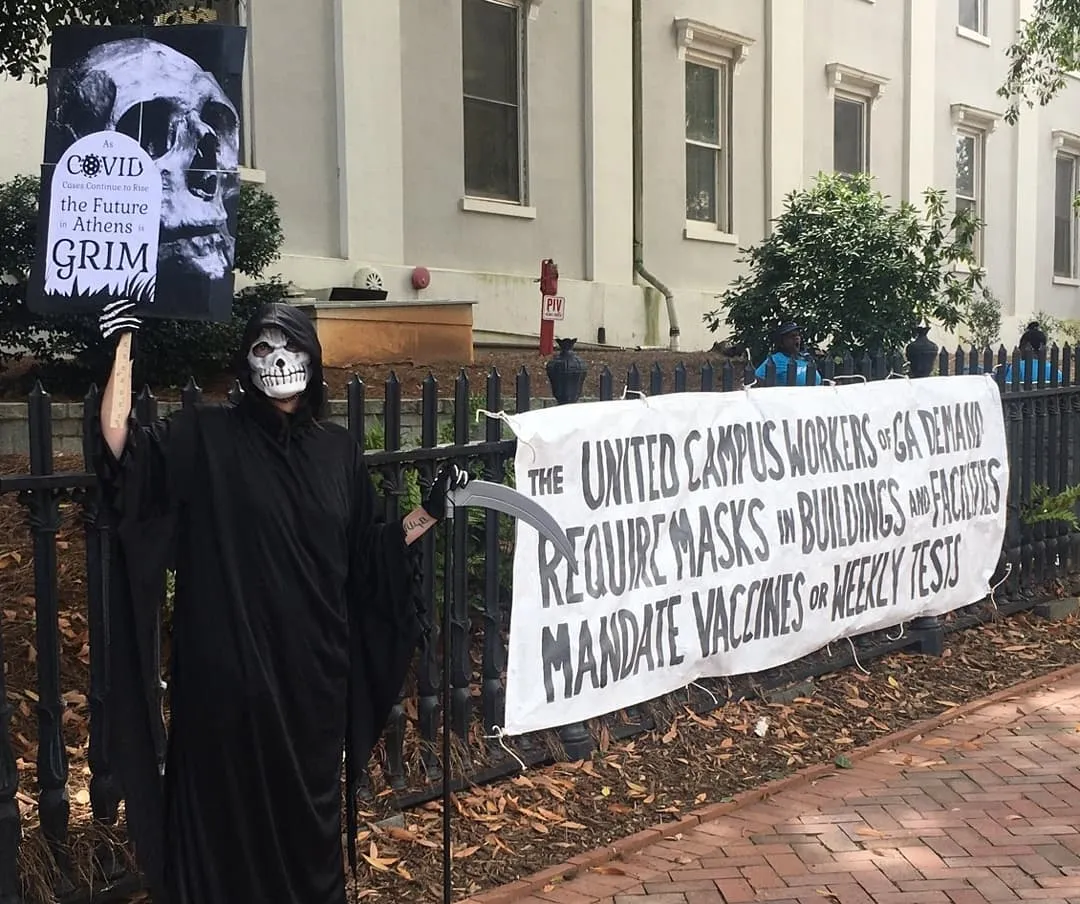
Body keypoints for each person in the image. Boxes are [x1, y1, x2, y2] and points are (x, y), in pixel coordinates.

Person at [94, 299, 467, 904]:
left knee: (305, 843)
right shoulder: (204, 436)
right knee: (221, 833)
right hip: (225, 690)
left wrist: (427, 511)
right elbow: (120, 450)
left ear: (313, 359)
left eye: (289, 345)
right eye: (261, 347)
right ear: (245, 361)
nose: (276, 359)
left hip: (308, 693)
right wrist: (123, 344)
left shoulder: (337, 451)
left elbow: (370, 555)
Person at [754, 321, 823, 386]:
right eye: (791, 336)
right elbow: (756, 379)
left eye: (798, 335)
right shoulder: (775, 359)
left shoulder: (806, 358)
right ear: (782, 342)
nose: (796, 338)